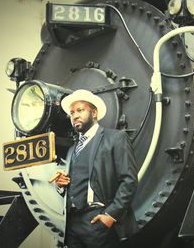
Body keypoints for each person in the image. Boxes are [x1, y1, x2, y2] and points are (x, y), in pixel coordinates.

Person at [51, 89, 138, 248]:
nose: (75, 116)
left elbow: (129, 181)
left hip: (98, 220)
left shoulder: (116, 138)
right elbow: (76, 183)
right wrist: (61, 185)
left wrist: (110, 215)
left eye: (80, 110)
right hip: (72, 224)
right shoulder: (73, 149)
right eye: (71, 113)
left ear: (94, 112)